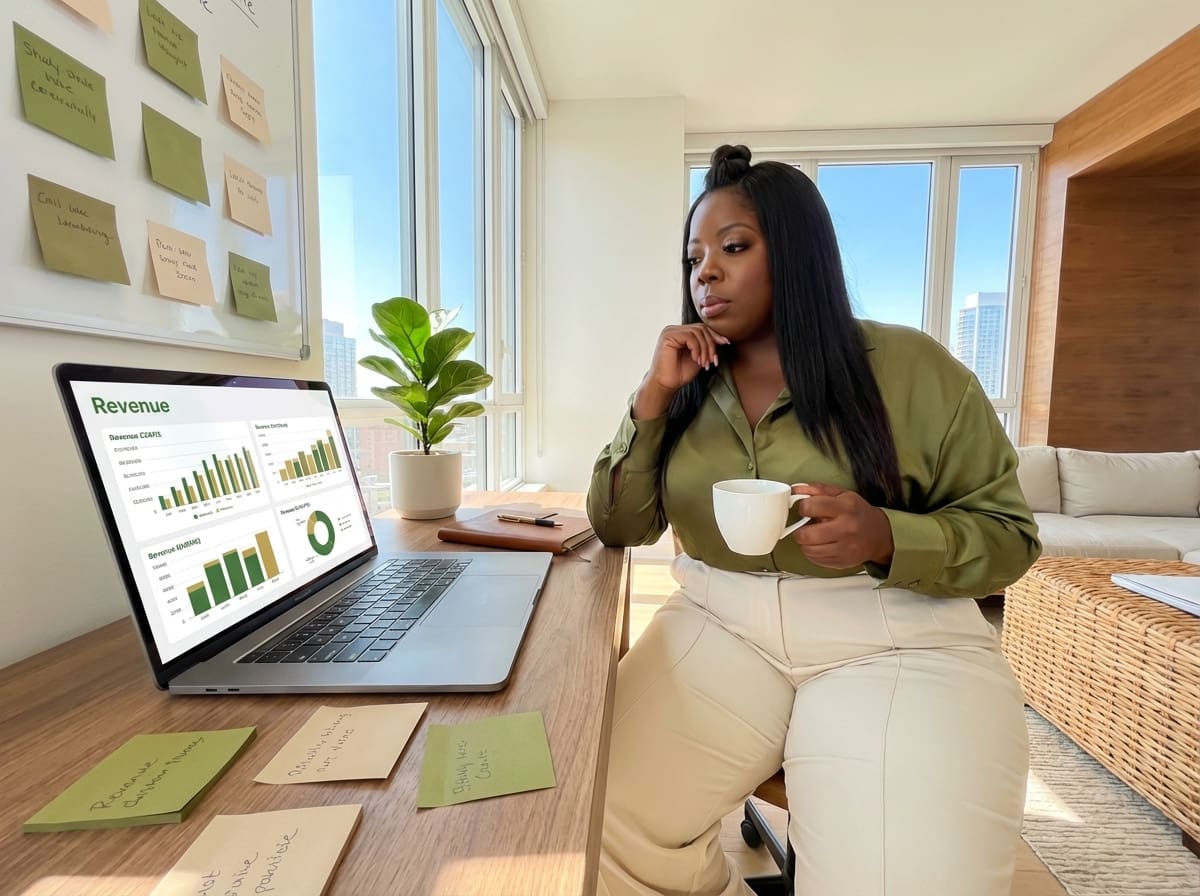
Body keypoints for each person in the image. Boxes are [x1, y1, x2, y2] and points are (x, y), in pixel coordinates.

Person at [586, 144, 1041, 896]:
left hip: (896, 634)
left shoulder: (915, 370)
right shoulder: (686, 384)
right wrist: (650, 401)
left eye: (734, 247)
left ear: (799, 256)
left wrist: (888, 536)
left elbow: (1011, 536)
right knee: (591, 822)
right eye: (695, 256)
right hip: (717, 622)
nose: (705, 271)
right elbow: (618, 526)